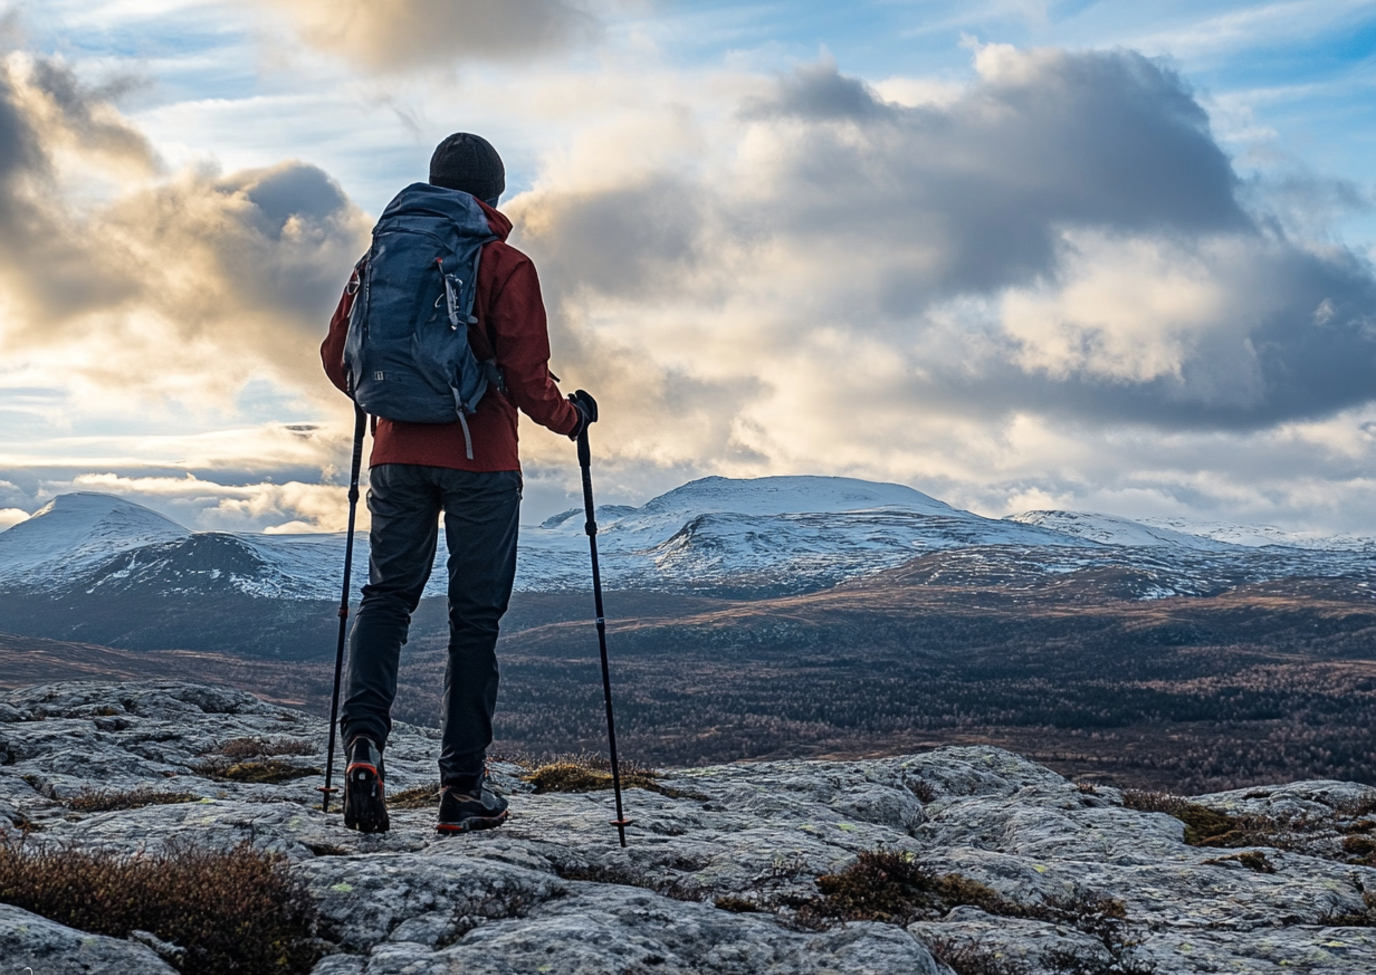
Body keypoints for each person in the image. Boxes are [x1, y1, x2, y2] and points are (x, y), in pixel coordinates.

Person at [320, 132, 596, 834]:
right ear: (493, 194)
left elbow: (336, 359)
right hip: (483, 463)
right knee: (473, 621)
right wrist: (572, 418)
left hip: (395, 457)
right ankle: (463, 789)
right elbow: (528, 379)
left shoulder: (378, 259)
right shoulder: (503, 263)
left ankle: (363, 748)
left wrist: (394, 402)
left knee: (386, 600)